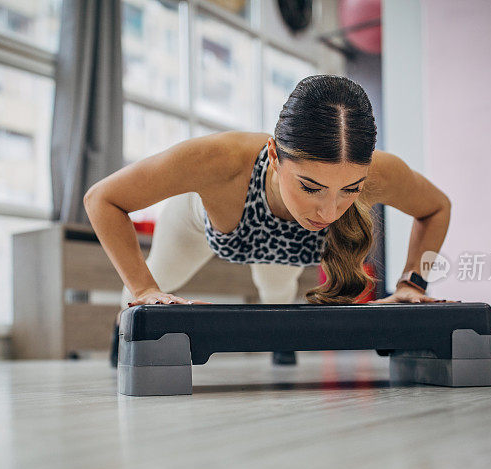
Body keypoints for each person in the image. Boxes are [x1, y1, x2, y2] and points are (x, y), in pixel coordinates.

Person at [84, 75, 452, 367]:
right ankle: (121, 331)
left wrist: (413, 284)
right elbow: (102, 198)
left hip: (281, 254)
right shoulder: (218, 159)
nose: (329, 212)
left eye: (349, 190)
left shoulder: (379, 174)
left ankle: (280, 348)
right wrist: (145, 290)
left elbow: (436, 208)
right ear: (275, 155)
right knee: (149, 285)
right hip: (196, 225)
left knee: (277, 289)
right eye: (311, 187)